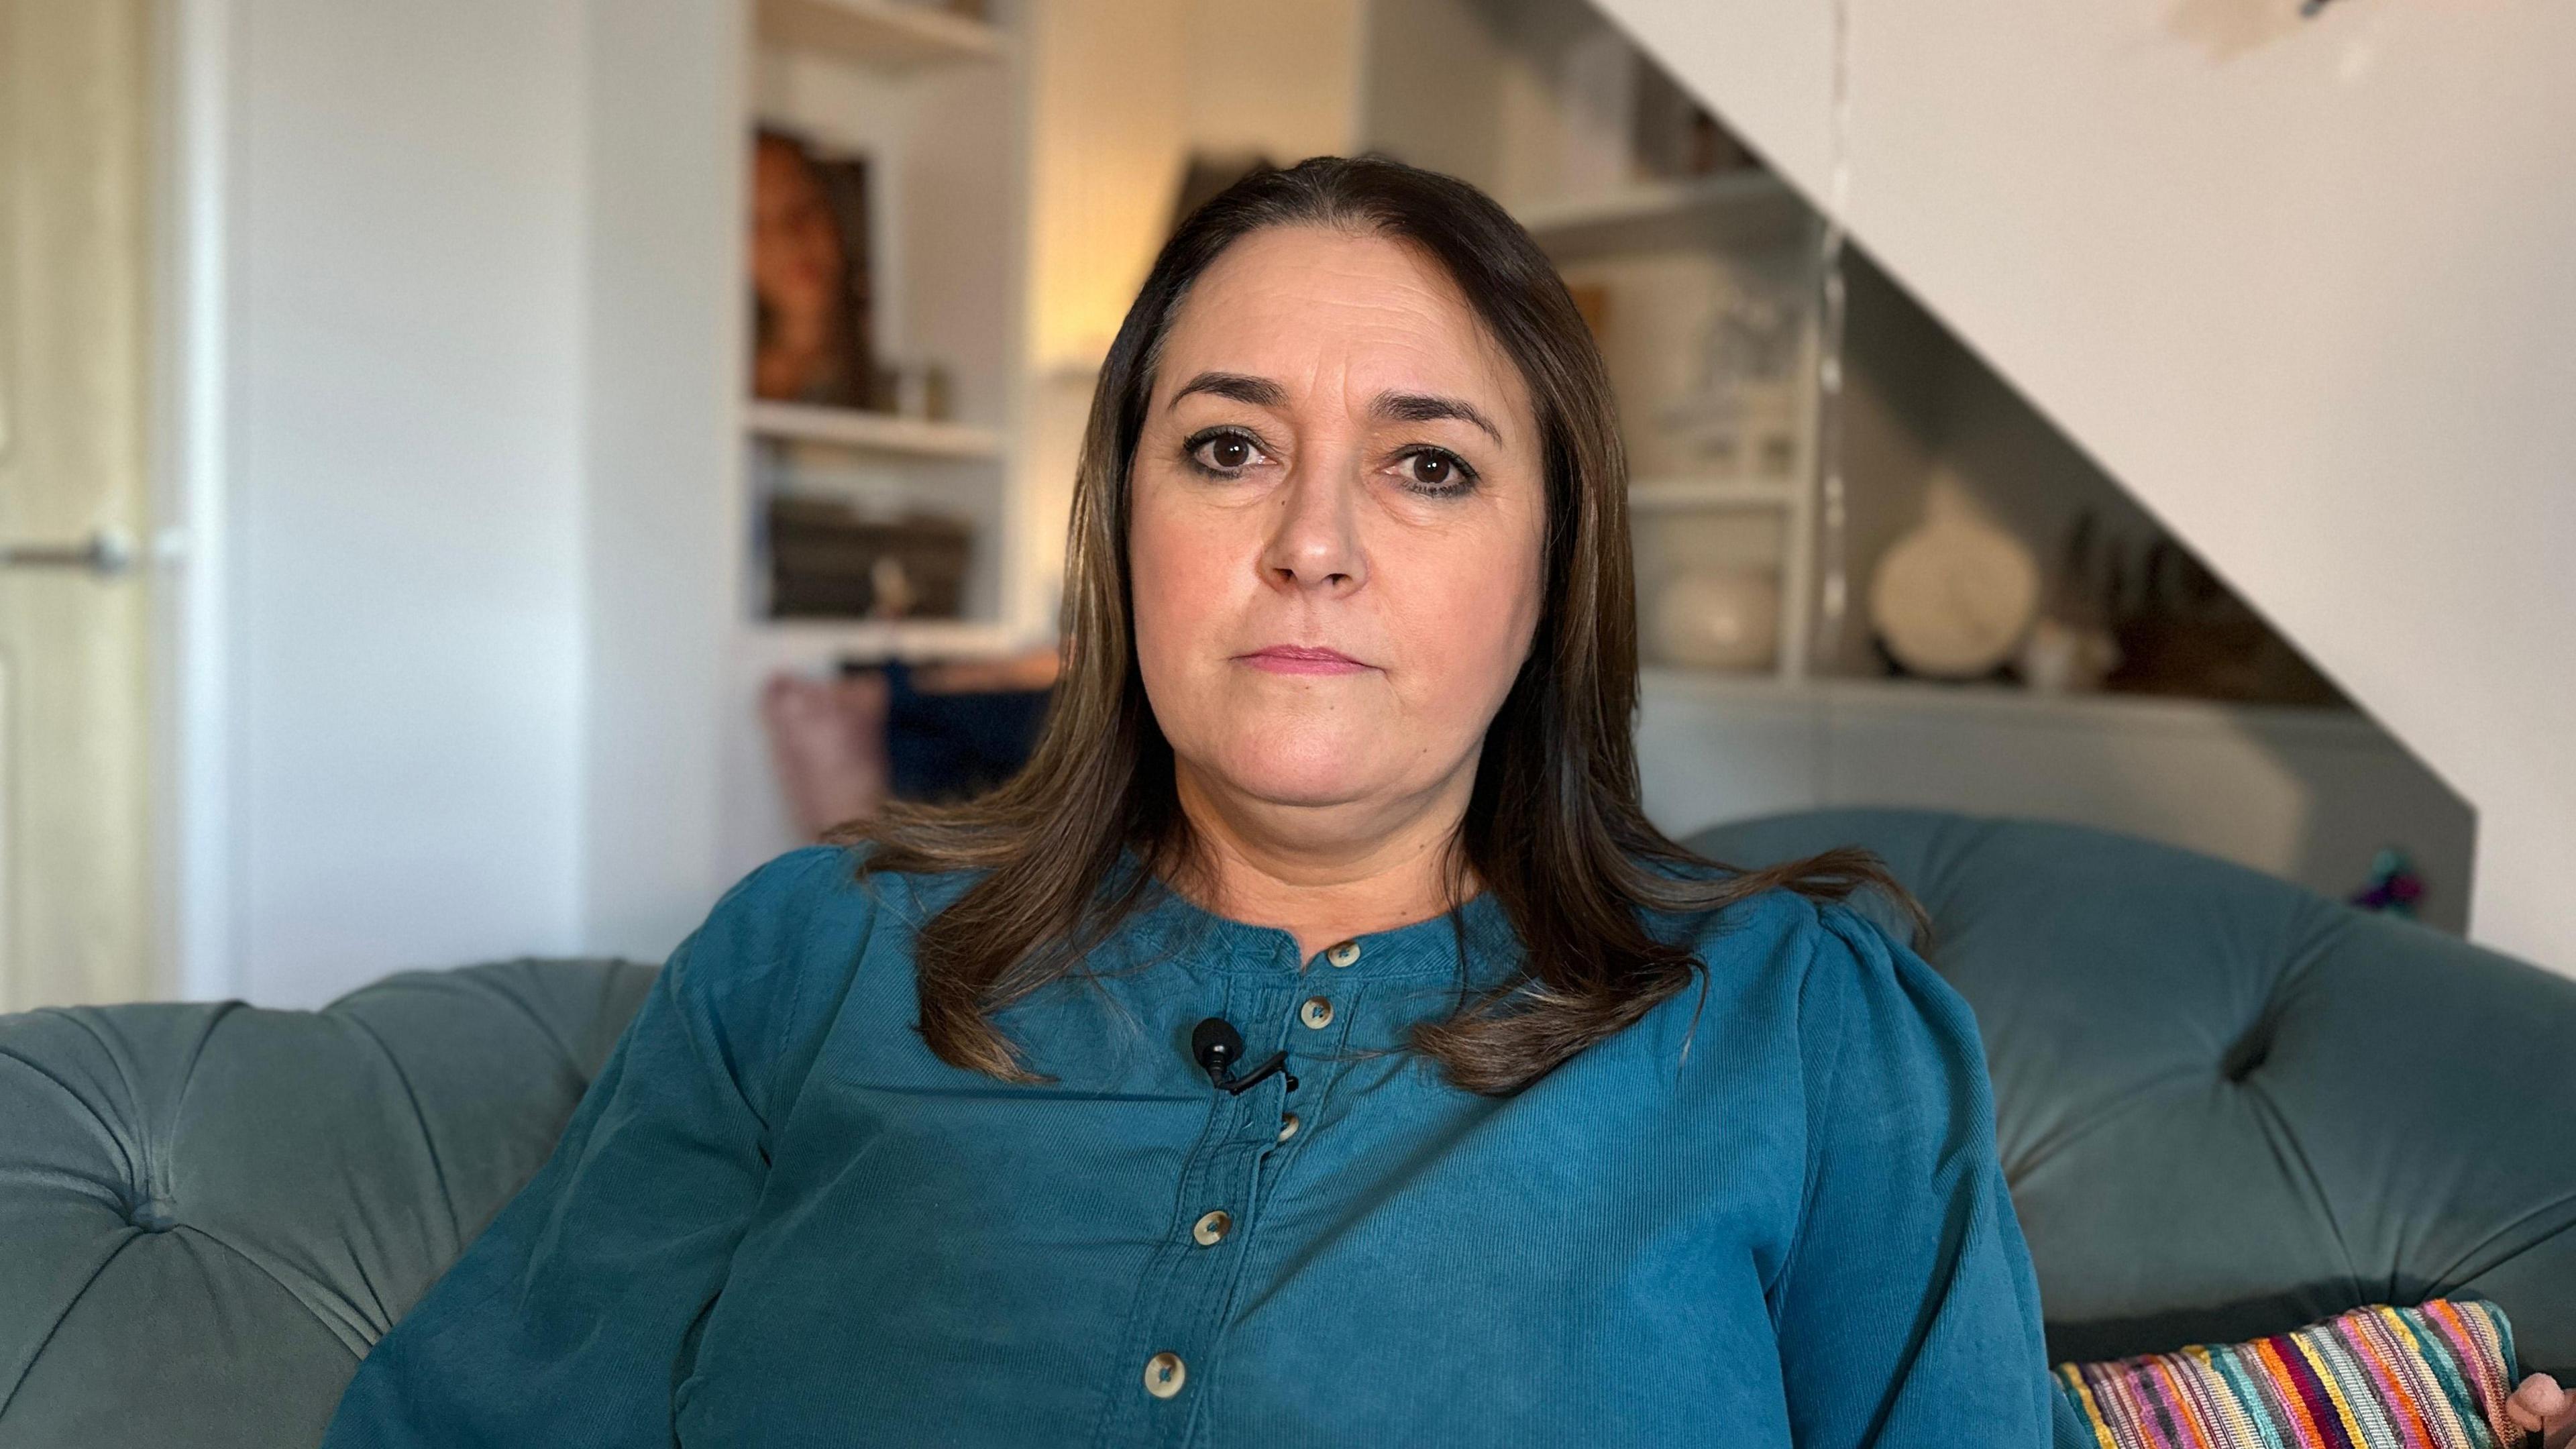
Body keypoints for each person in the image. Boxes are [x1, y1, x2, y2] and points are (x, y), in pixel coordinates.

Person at [315, 154, 2569, 1448]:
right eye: (1226, 445)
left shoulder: (1807, 1032)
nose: (1313, 537)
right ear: (1129, 531)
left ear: (1550, 565)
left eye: (1425, 461)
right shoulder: (811, 959)